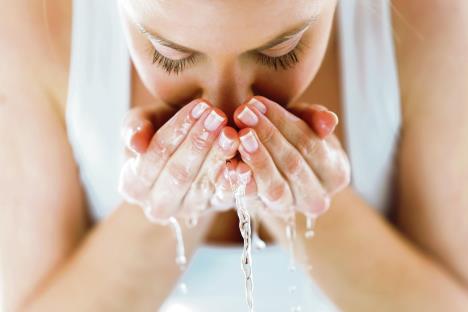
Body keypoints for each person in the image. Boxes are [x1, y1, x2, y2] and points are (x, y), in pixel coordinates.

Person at [1, 0, 468, 311]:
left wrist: (305, 204)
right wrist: (166, 211)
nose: (227, 110)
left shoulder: (432, 19)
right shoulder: (32, 24)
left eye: (282, 51)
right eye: (169, 55)